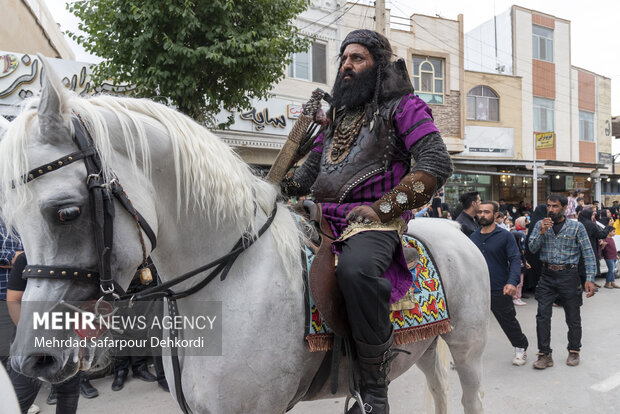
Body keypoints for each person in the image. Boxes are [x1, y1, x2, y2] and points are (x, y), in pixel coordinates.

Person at [281, 29, 453, 413]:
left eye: (357, 58)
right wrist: (271, 182)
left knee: (356, 272)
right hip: (319, 218)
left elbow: (436, 164)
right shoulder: (337, 118)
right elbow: (306, 179)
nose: (347, 65)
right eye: (344, 59)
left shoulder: (404, 106)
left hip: (374, 222)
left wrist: (383, 210)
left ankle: (373, 388)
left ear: (377, 65)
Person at [6, 253, 97, 414]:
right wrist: (31, 338)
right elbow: (13, 299)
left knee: (68, 394)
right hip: (31, 344)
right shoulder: (26, 259)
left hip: (68, 340)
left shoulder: (77, 261)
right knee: (18, 400)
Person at [528, 194, 597, 369]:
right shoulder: (539, 225)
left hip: (569, 275)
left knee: (573, 317)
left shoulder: (576, 227)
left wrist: (590, 278)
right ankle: (545, 354)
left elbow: (588, 253)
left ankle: (574, 351)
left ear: (565, 208)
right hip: (547, 275)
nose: (550, 210)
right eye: (548, 206)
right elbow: (532, 248)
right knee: (542, 316)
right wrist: (542, 232)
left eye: (555, 206)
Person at [470, 202, 529, 366]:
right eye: (480, 212)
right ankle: (468, 355)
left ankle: (521, 347)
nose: (482, 215)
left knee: (508, 321)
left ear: (496, 215)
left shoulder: (505, 236)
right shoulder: (473, 237)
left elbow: (515, 260)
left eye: (486, 212)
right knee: (472, 323)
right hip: (476, 289)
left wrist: (512, 282)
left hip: (499, 287)